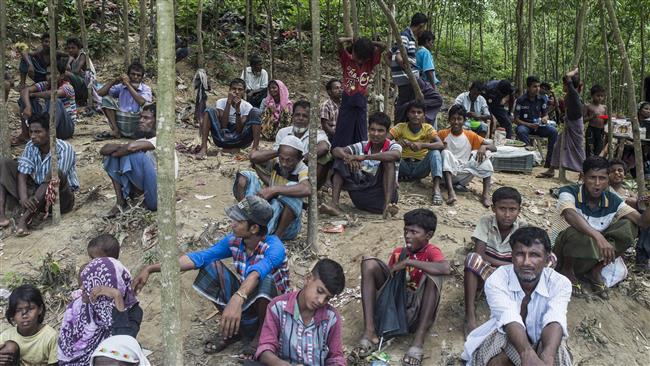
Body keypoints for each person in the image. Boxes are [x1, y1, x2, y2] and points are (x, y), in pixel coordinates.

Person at [133, 196, 290, 359]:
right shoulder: (235, 242)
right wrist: (151, 268)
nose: (233, 222)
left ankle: (261, 338)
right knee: (210, 267)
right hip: (249, 304)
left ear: (254, 228)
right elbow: (199, 257)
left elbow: (258, 272)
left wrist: (238, 297)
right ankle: (235, 330)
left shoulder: (274, 247)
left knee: (265, 279)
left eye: (239, 220)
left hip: (274, 316)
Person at [462, 227, 573, 366]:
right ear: (512, 256)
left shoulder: (560, 283)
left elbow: (555, 319)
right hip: (506, 335)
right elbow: (509, 318)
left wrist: (548, 358)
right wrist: (527, 353)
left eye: (534, 255)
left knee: (557, 351)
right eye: (520, 254)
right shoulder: (497, 279)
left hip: (541, 340)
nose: (526, 262)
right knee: (498, 348)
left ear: (547, 259)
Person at [357, 208, 450, 366]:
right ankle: (369, 332)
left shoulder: (431, 251)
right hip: (394, 310)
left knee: (434, 274)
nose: (407, 235)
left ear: (428, 235)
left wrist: (408, 262)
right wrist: (400, 263)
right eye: (406, 230)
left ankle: (418, 341)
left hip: (416, 312)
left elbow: (445, 268)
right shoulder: (399, 253)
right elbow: (390, 286)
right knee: (369, 263)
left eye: (414, 232)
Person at [551, 156, 650, 299]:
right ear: (583, 177)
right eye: (592, 178)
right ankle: (568, 271)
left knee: (629, 225)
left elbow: (642, 222)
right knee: (576, 230)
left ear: (607, 180)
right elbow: (569, 214)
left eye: (602, 178)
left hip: (590, 256)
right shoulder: (569, 191)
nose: (597, 183)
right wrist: (598, 236)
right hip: (562, 254)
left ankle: (596, 271)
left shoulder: (613, 200)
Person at [253, 259, 346, 366]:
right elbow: (265, 349)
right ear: (308, 278)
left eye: (327, 298)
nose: (321, 301)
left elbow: (336, 357)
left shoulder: (332, 318)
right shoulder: (277, 307)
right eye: (319, 291)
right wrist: (281, 364)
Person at [0, 113, 79, 236]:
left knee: (54, 173)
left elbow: (54, 180)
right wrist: (24, 198)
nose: (33, 136)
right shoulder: (31, 146)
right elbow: (22, 173)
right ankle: (1, 215)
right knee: (4, 163)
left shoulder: (64, 148)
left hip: (59, 198)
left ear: (49, 132)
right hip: (37, 194)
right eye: (31, 132)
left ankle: (24, 220)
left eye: (38, 132)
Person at [463, 187, 527, 336]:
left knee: (547, 262)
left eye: (512, 209)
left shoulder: (522, 227)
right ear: (493, 208)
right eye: (502, 209)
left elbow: (523, 258)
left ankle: (521, 313)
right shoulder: (486, 222)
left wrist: (511, 267)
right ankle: (470, 315)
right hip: (490, 270)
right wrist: (508, 264)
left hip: (510, 275)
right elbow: (480, 254)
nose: (507, 214)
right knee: (472, 258)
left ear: (519, 210)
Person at [58, 257, 143, 365]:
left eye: (88, 284)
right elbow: (65, 353)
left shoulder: (133, 312)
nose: (82, 288)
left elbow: (123, 342)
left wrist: (116, 296)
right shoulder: (77, 307)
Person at [100, 104, 179, 217]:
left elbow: (130, 148)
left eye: (146, 118)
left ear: (157, 122)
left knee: (133, 154)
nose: (141, 120)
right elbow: (104, 150)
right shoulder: (143, 141)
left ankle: (138, 198)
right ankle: (120, 201)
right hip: (148, 189)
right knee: (112, 156)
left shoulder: (163, 139)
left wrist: (123, 149)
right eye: (141, 117)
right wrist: (122, 149)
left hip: (159, 197)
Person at [320, 111, 401, 217]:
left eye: (380, 131)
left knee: (388, 161)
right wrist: (348, 158)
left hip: (381, 197)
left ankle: (387, 208)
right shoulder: (363, 145)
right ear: (368, 130)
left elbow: (396, 155)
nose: (375, 134)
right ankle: (334, 205)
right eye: (372, 130)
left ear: (387, 132)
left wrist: (364, 157)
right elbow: (336, 150)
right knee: (340, 160)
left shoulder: (393, 146)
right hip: (361, 195)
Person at [236, 135, 311, 240]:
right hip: (265, 215)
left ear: (299, 159)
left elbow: (306, 189)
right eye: (282, 158)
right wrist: (278, 151)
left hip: (287, 228)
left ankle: (276, 237)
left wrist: (274, 190)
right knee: (246, 176)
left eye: (289, 160)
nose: (284, 163)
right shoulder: (277, 162)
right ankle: (246, 217)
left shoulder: (303, 169)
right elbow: (253, 157)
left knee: (292, 188)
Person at [438, 104, 496, 207]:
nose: (456, 122)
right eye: (453, 119)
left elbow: (494, 147)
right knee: (445, 153)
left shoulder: (470, 135)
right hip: (446, 174)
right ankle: (451, 192)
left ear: (464, 120)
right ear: (449, 120)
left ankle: (485, 195)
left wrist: (484, 147)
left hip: (464, 174)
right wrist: (442, 148)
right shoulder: (442, 134)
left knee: (484, 155)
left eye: (459, 119)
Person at [388, 101, 445, 205]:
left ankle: (436, 189)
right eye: (412, 112)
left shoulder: (428, 128)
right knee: (391, 153)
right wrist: (396, 143)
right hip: (402, 165)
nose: (416, 115)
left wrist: (422, 145)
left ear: (424, 115)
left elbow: (440, 144)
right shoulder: (400, 127)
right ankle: (390, 184)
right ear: (407, 114)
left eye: (419, 112)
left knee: (435, 153)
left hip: (420, 168)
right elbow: (384, 142)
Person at [333, 37, 385, 148]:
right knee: (344, 127)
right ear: (353, 51)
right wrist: (352, 39)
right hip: (348, 98)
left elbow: (383, 46)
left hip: (361, 99)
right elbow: (339, 41)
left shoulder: (370, 62)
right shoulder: (347, 59)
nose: (360, 61)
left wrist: (370, 42)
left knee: (361, 127)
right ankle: (340, 154)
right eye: (358, 57)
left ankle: (360, 151)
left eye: (363, 58)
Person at [15, 56, 77, 144]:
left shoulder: (67, 87)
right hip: (48, 124)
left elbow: (52, 94)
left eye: (55, 74)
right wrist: (28, 106)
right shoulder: (45, 84)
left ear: (62, 75)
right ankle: (25, 133)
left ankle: (48, 133)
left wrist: (33, 94)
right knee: (25, 99)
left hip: (65, 128)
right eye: (48, 74)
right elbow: (25, 90)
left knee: (54, 101)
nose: (50, 77)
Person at [270, 100, 331, 188]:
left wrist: (300, 158)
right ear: (292, 116)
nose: (300, 118)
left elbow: (324, 147)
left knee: (326, 156)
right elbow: (276, 154)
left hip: (304, 173)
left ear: (310, 119)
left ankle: (309, 189)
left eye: (305, 116)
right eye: (297, 115)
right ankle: (279, 184)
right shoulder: (283, 132)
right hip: (284, 168)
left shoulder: (317, 133)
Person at [539, 68, 586, 178]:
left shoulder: (573, 94)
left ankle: (583, 172)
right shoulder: (570, 95)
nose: (564, 87)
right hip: (569, 123)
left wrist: (575, 71)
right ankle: (551, 169)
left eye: (564, 85)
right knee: (558, 145)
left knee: (578, 149)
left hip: (575, 125)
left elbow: (567, 77)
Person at [198, 78, 262, 157]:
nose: (236, 92)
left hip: (240, 139)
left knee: (256, 111)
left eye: (240, 89)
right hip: (222, 137)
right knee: (209, 110)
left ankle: (255, 148)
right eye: (234, 89)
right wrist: (228, 103)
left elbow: (239, 130)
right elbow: (223, 126)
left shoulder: (247, 106)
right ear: (229, 90)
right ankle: (204, 147)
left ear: (244, 92)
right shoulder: (221, 102)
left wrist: (238, 109)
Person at [608, 159, 650, 271]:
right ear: (608, 174)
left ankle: (642, 258)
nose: (617, 173)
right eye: (613, 171)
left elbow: (639, 205)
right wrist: (632, 202)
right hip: (618, 220)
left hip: (634, 218)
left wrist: (643, 201)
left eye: (620, 170)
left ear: (624, 174)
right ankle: (642, 257)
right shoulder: (606, 190)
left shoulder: (628, 191)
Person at [0, 285, 58, 365]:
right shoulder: (6, 336)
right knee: (9, 346)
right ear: (12, 314)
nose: (24, 315)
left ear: (40, 309)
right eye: (18, 310)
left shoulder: (50, 336)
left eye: (30, 309)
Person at [96, 61, 153, 140]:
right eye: (133, 74)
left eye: (138, 75)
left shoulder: (146, 88)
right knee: (106, 99)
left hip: (136, 125)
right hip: (121, 122)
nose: (135, 77)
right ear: (128, 75)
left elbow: (142, 102)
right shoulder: (121, 87)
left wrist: (128, 85)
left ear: (142, 77)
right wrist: (115, 80)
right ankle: (116, 131)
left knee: (148, 107)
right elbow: (100, 93)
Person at [514, 75, 558, 168]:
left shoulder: (542, 99)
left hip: (538, 126)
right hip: (525, 125)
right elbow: (516, 120)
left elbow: (545, 114)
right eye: (534, 86)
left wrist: (545, 118)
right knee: (521, 131)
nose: (537, 89)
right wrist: (529, 124)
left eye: (538, 86)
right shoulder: (521, 100)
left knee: (553, 131)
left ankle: (549, 162)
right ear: (528, 87)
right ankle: (529, 158)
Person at [65, 37, 98, 108]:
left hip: (87, 84)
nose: (70, 50)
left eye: (73, 48)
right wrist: (68, 62)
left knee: (66, 74)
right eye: (69, 48)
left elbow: (76, 71)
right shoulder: (72, 57)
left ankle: (77, 99)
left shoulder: (82, 55)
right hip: (80, 83)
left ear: (78, 48)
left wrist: (68, 65)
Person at [584, 84, 607, 157]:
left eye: (602, 96)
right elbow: (583, 120)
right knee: (590, 148)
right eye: (598, 96)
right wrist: (591, 117)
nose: (600, 98)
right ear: (592, 96)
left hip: (601, 130)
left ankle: (596, 165)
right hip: (591, 130)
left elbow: (605, 119)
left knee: (599, 148)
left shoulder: (604, 107)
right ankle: (588, 164)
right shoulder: (588, 106)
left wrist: (606, 118)